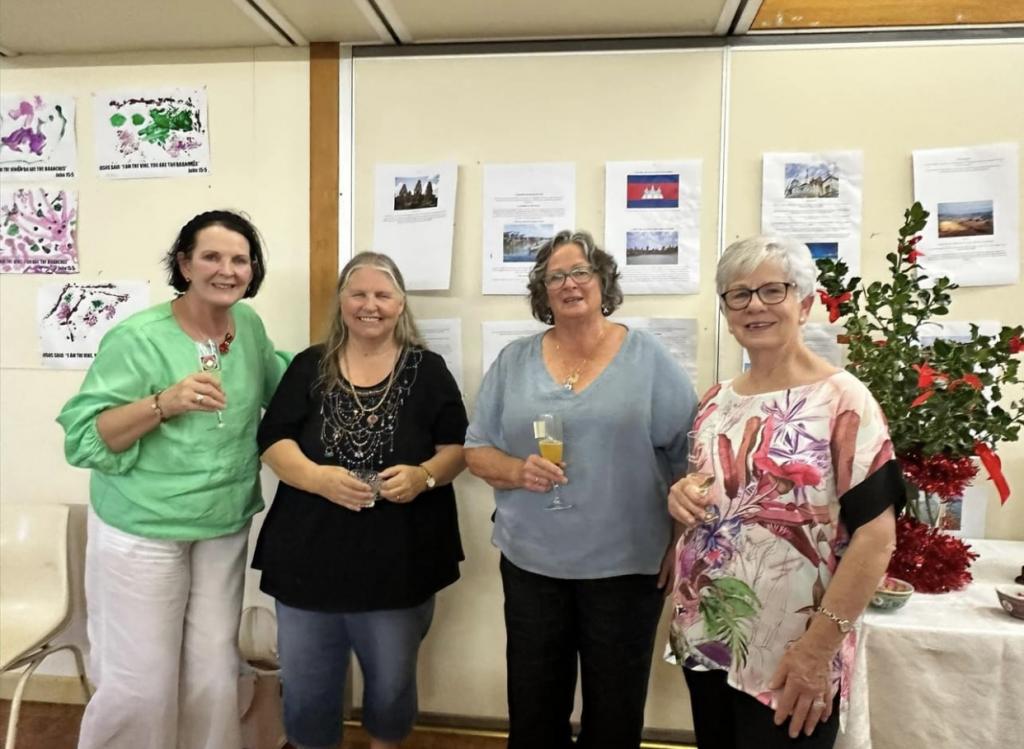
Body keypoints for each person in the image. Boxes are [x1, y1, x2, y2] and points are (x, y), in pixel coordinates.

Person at [57, 210, 290, 749]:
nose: (226, 270)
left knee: (213, 671)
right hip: (143, 530)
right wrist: (164, 403)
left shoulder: (248, 326)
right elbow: (87, 437)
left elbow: (283, 388)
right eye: (211, 256)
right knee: (141, 680)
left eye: (239, 259)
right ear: (184, 264)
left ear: (252, 270)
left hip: (221, 523)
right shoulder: (137, 338)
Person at [464, 229, 698, 749]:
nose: (569, 283)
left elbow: (692, 453)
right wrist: (517, 471)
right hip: (532, 565)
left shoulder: (648, 359)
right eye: (555, 276)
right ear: (542, 292)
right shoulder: (513, 361)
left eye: (580, 272)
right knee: (533, 710)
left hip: (625, 567)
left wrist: (681, 538)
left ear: (602, 282)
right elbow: (476, 450)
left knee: (614, 715)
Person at [667, 235, 903, 749]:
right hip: (710, 637)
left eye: (773, 290)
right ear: (726, 311)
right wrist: (680, 495)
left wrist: (817, 651)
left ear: (806, 302)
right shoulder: (715, 401)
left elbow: (876, 538)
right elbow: (709, 489)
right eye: (739, 294)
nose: (754, 305)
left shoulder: (843, 401)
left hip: (790, 653)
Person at [252, 252, 467, 749]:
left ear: (401, 304)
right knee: (306, 690)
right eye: (358, 293)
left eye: (382, 294)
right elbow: (273, 440)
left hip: (401, 560)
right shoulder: (310, 365)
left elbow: (457, 449)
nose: (370, 305)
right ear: (342, 302)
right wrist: (317, 478)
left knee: (392, 689)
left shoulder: (427, 369)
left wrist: (424, 477)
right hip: (309, 557)